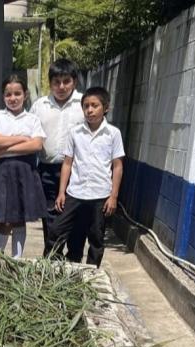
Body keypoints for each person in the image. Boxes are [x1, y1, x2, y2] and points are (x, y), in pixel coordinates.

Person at [50, 87, 124, 267]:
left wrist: (113, 196)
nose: (89, 110)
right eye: (86, 106)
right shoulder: (75, 132)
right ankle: (59, 269)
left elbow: (117, 165)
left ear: (105, 108)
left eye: (94, 106)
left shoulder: (113, 134)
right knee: (59, 231)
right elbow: (67, 162)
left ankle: (91, 274)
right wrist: (62, 192)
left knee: (96, 238)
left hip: (100, 195)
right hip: (75, 193)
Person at [0, 74, 46, 259]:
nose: (13, 98)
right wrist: (21, 138)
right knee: (5, 220)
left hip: (25, 174)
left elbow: (36, 145)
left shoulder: (32, 119)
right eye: (8, 94)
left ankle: (16, 262)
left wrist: (6, 147)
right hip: (3, 174)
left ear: (25, 94)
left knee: (20, 220)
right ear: (3, 96)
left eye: (17, 93)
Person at [30, 59, 84, 255]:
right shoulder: (39, 106)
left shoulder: (84, 105)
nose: (61, 87)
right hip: (48, 170)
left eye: (66, 81)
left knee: (77, 219)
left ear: (74, 82)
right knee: (51, 218)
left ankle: (74, 261)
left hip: (78, 172)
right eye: (56, 82)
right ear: (50, 83)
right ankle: (53, 261)